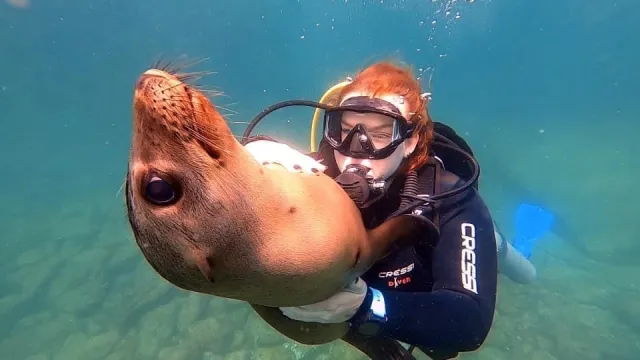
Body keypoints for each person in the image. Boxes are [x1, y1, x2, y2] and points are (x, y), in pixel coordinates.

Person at [243, 61, 500, 360]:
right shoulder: (314, 175)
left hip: (419, 296)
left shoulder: (452, 199)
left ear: (410, 141)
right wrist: (249, 154)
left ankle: (500, 247)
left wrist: (368, 306)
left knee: (443, 347)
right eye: (347, 131)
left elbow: (470, 324)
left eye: (380, 135)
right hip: (364, 304)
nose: (356, 150)